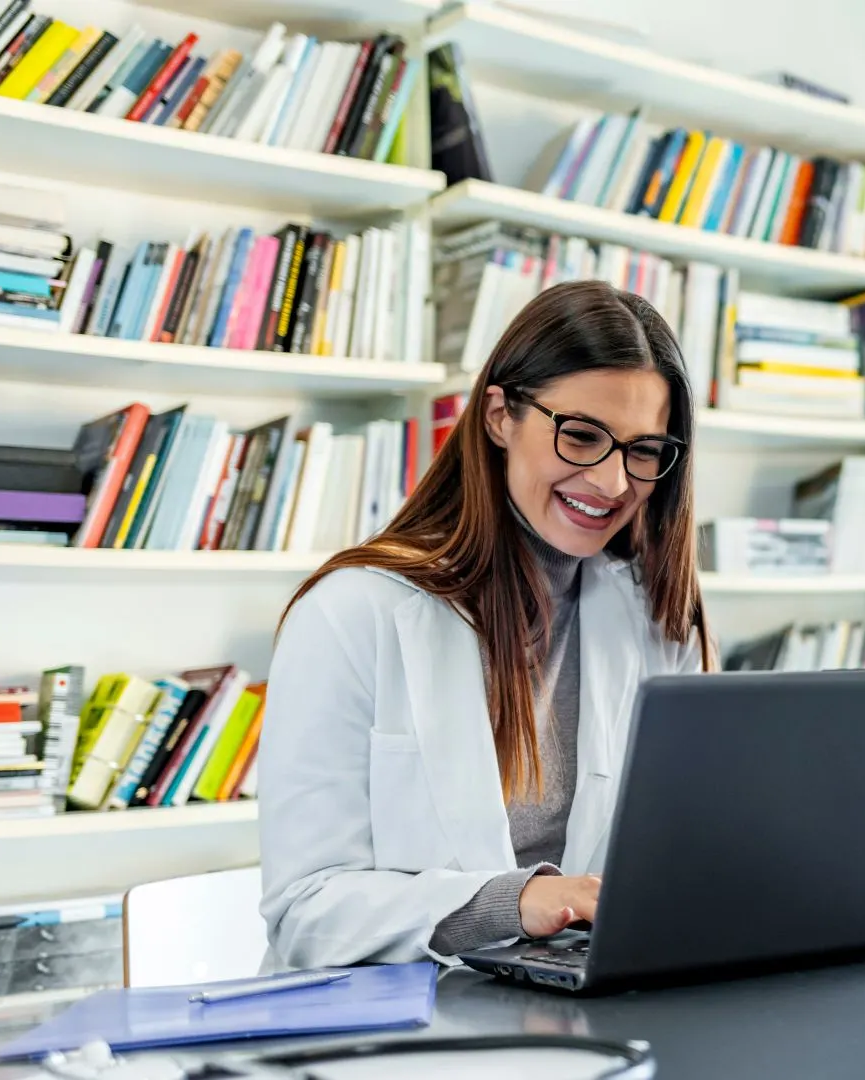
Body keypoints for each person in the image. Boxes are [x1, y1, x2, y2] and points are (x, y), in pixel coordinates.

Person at [258, 281, 711, 968]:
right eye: (583, 435)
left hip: (581, 1007)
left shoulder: (656, 619)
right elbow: (306, 913)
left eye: (644, 451)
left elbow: (683, 853)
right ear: (500, 415)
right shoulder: (351, 612)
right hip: (403, 1029)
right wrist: (512, 903)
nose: (615, 483)